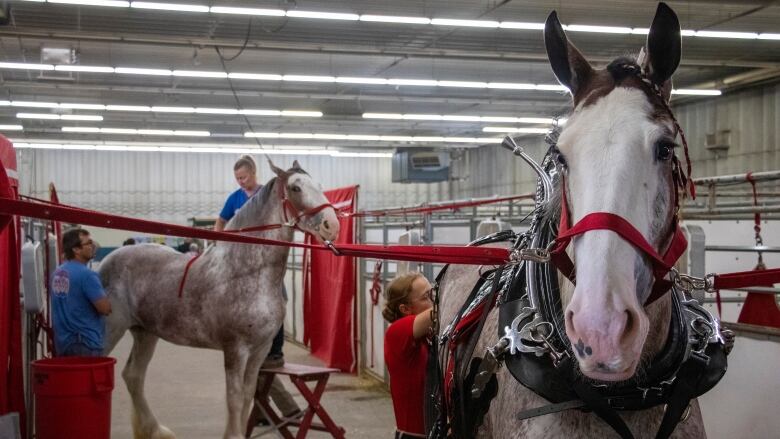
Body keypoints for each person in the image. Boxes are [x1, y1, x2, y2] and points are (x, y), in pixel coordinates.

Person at [216, 155, 301, 424]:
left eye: (244, 177)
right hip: (241, 264)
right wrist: (221, 244)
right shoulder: (234, 199)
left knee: (278, 299)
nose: (241, 182)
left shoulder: (268, 196)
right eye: (238, 179)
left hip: (265, 263)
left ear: (254, 173)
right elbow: (220, 223)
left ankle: (274, 347)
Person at [383, 272, 434, 439]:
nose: (433, 300)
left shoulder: (428, 336)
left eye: (433, 293)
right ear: (405, 309)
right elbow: (439, 311)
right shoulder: (396, 331)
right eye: (427, 296)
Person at [50, 228, 112, 357]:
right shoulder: (87, 275)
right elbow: (104, 308)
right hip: (85, 343)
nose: (92, 246)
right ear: (76, 249)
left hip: (63, 343)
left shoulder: (57, 273)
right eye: (88, 243)